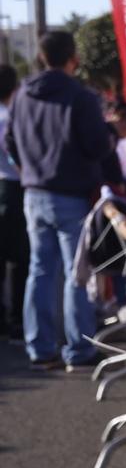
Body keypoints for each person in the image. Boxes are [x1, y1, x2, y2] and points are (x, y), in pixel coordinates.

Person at [5, 31, 122, 370]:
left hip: (33, 192)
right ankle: (78, 350)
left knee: (39, 271)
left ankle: (39, 347)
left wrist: (27, 167)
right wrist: (109, 140)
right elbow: (97, 146)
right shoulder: (80, 96)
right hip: (70, 193)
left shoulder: (23, 94)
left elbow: (10, 141)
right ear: (73, 58)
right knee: (76, 274)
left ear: (42, 57)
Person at [0, 64, 26, 340]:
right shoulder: (9, 118)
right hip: (11, 188)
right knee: (19, 257)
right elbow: (14, 157)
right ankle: (17, 316)